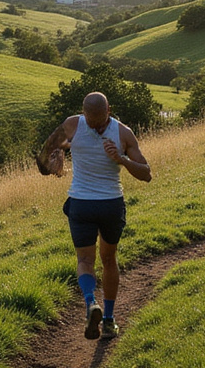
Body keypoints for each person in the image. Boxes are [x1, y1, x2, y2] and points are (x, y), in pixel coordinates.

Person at [35, 91, 151, 341]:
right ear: (107, 110)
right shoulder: (123, 133)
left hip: (81, 205)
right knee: (109, 260)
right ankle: (108, 320)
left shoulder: (72, 125)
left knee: (85, 261)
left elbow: (43, 162)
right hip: (110, 205)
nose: (96, 127)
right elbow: (146, 173)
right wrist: (120, 159)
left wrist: (57, 162)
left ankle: (90, 303)